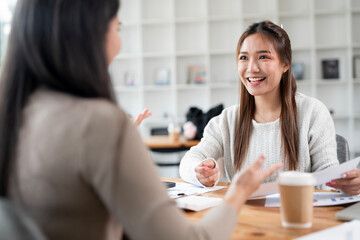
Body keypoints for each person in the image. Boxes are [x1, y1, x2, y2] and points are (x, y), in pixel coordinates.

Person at [0, 1, 282, 240]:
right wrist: (239, 191)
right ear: (90, 33)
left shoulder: (17, 113)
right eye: (117, 27)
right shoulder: (98, 124)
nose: (119, 42)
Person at [179, 20, 360, 196]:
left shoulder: (312, 112)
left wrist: (344, 185)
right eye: (244, 58)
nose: (252, 68)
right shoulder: (227, 120)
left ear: (285, 64)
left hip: (297, 218)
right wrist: (198, 172)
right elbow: (190, 160)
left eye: (263, 57)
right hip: (244, 219)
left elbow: (328, 177)